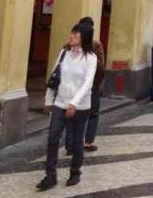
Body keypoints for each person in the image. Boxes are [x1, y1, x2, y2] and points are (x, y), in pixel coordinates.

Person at [37, 23, 98, 190]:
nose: (72, 37)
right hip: (60, 102)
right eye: (72, 33)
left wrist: (74, 103)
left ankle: (75, 172)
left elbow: (88, 83)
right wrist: (49, 99)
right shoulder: (64, 53)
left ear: (84, 38)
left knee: (77, 141)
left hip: (80, 106)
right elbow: (54, 76)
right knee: (52, 138)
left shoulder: (91, 58)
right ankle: (50, 176)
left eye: (76, 35)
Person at [63, 16, 105, 154]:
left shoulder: (68, 45)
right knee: (92, 114)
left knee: (71, 117)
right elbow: (101, 68)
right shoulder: (96, 45)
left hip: (72, 87)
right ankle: (88, 142)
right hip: (91, 87)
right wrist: (97, 86)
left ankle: (70, 145)